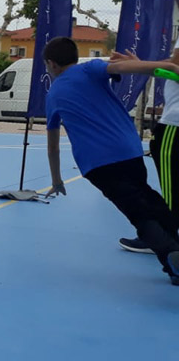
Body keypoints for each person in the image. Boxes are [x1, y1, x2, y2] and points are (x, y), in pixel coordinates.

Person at [43, 37, 179, 285]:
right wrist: (166, 67)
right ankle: (174, 249)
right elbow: (126, 68)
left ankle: (172, 255)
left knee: (138, 212)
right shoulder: (91, 68)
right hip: (129, 151)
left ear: (51, 64)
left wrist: (57, 179)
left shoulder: (53, 95)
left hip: (98, 164)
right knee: (148, 198)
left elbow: (52, 147)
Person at [120, 0, 179, 254]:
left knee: (169, 186)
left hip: (176, 124)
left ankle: (166, 239)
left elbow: (176, 69)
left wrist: (140, 66)